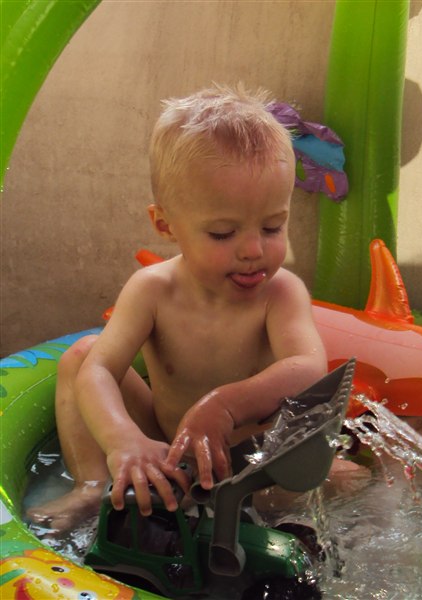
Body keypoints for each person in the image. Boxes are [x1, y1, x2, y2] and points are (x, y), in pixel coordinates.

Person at [28, 84, 327, 532]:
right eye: (223, 233)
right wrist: (123, 441)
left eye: (272, 226)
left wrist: (226, 407)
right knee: (82, 357)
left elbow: (309, 367)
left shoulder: (280, 293)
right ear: (165, 225)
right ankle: (90, 488)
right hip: (165, 450)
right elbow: (99, 371)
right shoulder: (152, 290)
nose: (253, 250)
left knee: (340, 478)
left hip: (253, 466)